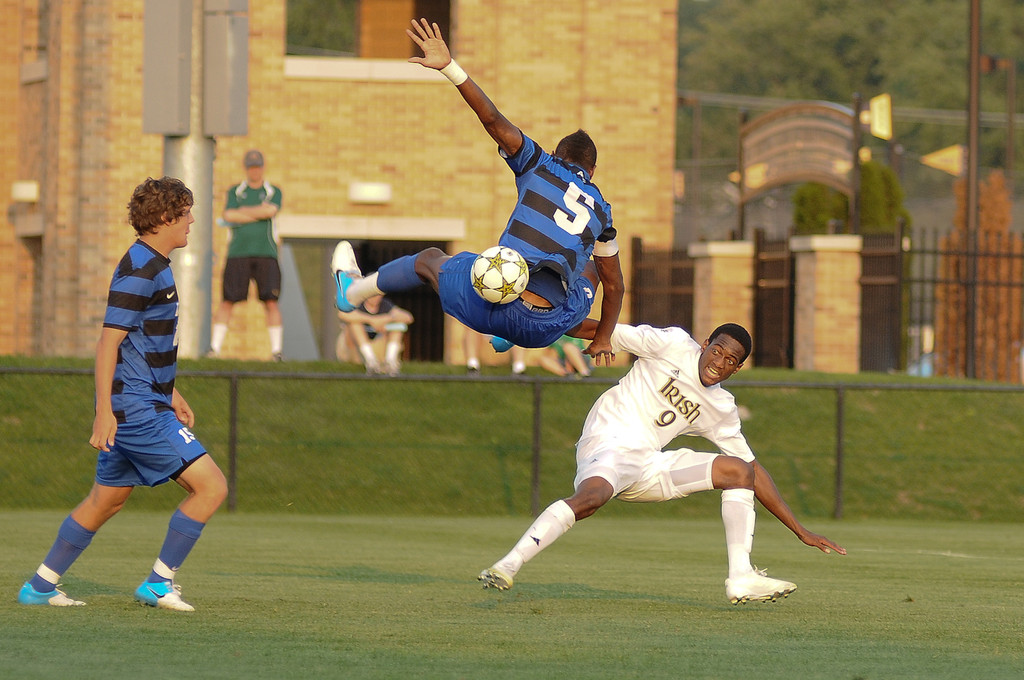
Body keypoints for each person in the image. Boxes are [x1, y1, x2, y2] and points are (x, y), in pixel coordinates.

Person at [478, 321, 846, 604]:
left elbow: (754, 470)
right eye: (717, 351)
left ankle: (741, 576)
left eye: (731, 361)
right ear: (705, 345)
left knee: (738, 471)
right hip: (609, 439)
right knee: (591, 498)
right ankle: (508, 565)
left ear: (738, 369)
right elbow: (601, 329)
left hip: (648, 464)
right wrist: (529, 328)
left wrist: (800, 530)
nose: (719, 363)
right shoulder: (671, 344)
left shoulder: (722, 408)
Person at [332, 19, 624, 363]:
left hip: (489, 308)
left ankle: (353, 290)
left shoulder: (541, 164)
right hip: (545, 328)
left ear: (559, 155)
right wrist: (604, 337)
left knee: (429, 261)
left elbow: (494, 122)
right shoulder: (602, 211)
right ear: (592, 171)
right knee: (593, 267)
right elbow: (616, 285)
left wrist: (450, 68)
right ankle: (516, 334)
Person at [18, 177, 228, 611]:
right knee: (211, 488)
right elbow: (107, 343)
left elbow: (140, 344)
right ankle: (158, 583)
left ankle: (39, 586)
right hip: (136, 410)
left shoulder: (154, 263)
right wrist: (104, 413)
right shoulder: (141, 269)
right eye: (186, 213)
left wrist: (171, 392)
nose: (192, 221)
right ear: (166, 217)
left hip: (145, 401)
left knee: (105, 500)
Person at [209, 149, 285, 361]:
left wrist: (244, 213)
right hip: (237, 253)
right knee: (228, 300)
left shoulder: (272, 191)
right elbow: (228, 214)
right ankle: (215, 349)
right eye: (251, 167)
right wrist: (258, 213)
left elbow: (270, 211)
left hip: (266, 253)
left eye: (258, 166)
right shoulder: (236, 191)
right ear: (246, 168)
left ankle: (276, 351)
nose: (255, 170)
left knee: (271, 301)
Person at [337, 294, 414, 376]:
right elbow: (343, 314)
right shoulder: (358, 304)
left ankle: (390, 362)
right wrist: (372, 320)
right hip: (354, 349)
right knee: (354, 324)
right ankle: (371, 361)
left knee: (398, 326)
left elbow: (408, 317)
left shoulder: (385, 305)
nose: (375, 298)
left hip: (378, 345)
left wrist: (387, 318)